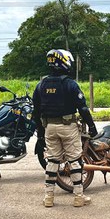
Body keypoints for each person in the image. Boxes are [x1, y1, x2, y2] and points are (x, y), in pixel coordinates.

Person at [32, 49, 98, 208]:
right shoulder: (70, 84)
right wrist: (92, 126)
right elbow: (82, 108)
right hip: (68, 127)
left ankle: (48, 198)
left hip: (49, 128)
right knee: (75, 160)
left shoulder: (41, 85)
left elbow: (36, 112)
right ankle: (78, 197)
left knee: (52, 161)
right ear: (64, 63)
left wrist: (41, 134)